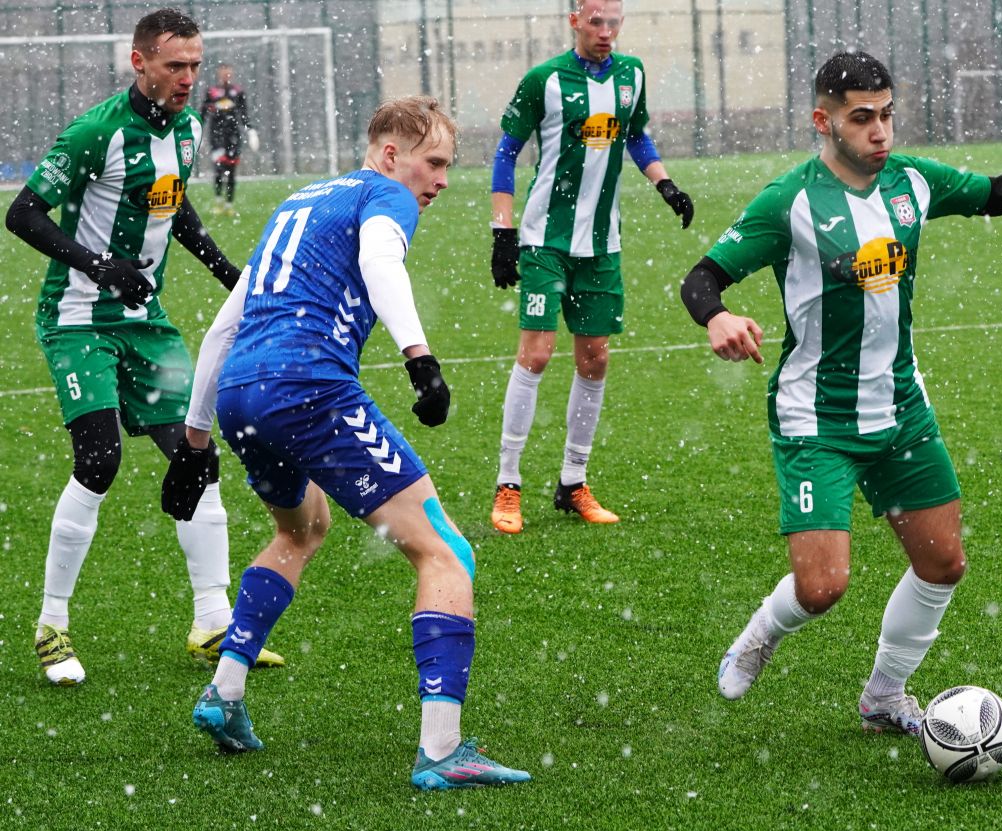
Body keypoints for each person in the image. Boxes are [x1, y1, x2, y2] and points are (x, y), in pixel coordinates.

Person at [679, 51, 1002, 734]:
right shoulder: (789, 201)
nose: (879, 131)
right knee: (822, 587)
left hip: (901, 408)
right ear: (823, 121)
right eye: (861, 118)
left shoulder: (911, 181)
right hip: (816, 417)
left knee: (943, 563)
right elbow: (702, 278)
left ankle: (884, 696)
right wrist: (718, 317)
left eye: (886, 114)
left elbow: (996, 193)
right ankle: (761, 634)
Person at [163, 95, 531, 790]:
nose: (442, 180)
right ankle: (442, 750)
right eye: (434, 163)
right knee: (446, 551)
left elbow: (223, 326)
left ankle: (225, 692)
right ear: (392, 155)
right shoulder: (384, 196)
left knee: (301, 530)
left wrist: (195, 439)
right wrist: (420, 358)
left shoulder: (298, 204)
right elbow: (381, 261)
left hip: (242, 393)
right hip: (307, 387)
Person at [3, 7, 283, 687]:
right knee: (99, 461)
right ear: (140, 62)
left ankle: (212, 620)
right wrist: (99, 265)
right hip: (78, 319)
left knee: (198, 455)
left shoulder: (187, 130)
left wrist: (226, 272)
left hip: (145, 322)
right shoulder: (96, 132)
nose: (188, 77)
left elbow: (174, 205)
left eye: (195, 65)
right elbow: (22, 213)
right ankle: (51, 625)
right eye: (175, 65)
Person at [488, 0, 694, 534]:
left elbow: (635, 136)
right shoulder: (544, 80)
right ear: (575, 20)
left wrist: (666, 184)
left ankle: (573, 482)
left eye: (614, 22)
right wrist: (502, 232)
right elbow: (506, 152)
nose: (606, 31)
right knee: (536, 354)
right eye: (596, 21)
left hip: (602, 245)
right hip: (544, 239)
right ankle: (508, 484)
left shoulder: (632, 75)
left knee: (595, 360)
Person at [199, 63, 258, 215]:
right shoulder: (212, 92)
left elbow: (244, 114)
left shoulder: (238, 92)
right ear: (219, 73)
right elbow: (203, 115)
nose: (226, 75)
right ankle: (218, 202)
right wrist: (197, 132)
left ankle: (229, 205)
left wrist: (251, 131)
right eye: (223, 72)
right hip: (216, 136)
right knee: (219, 169)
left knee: (231, 171)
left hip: (233, 137)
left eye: (228, 72)